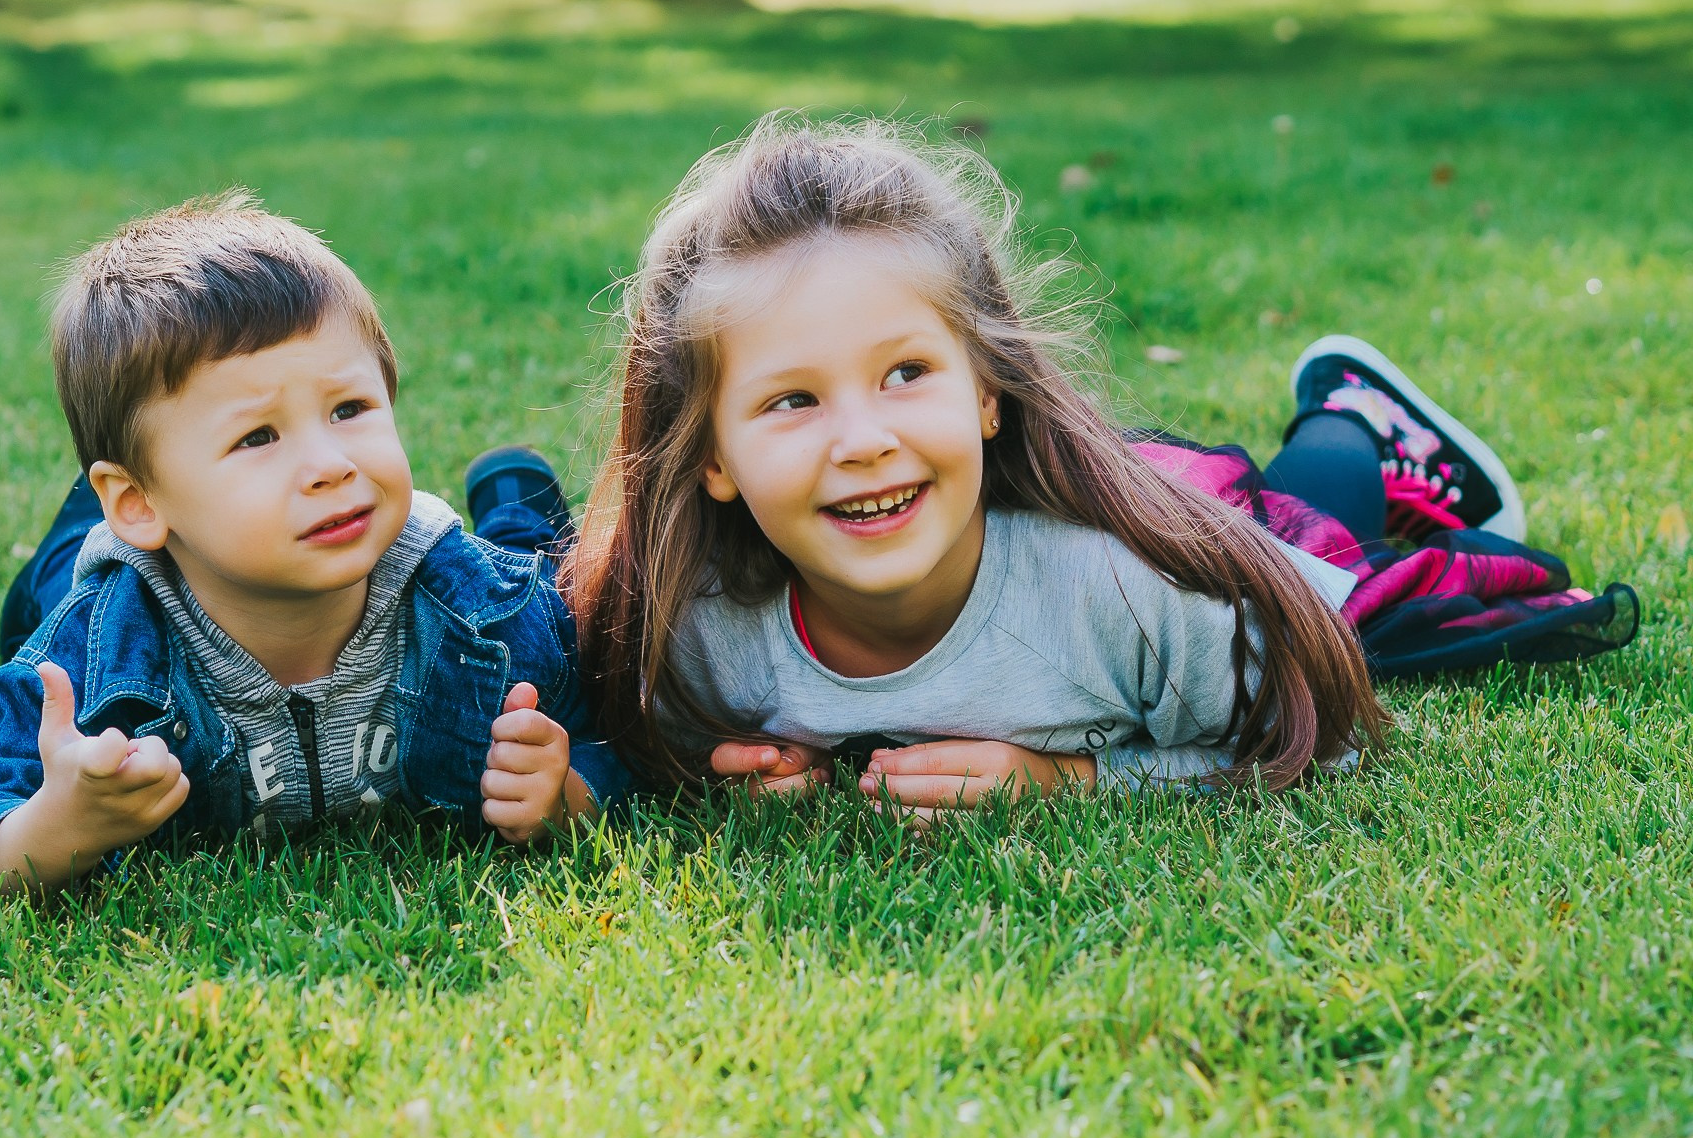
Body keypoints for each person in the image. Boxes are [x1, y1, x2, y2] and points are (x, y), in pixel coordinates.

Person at [558, 115, 1638, 818]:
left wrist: (1072, 779)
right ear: (710, 460)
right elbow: (646, 753)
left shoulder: (1127, 595)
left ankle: (1354, 420)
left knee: (1320, 539)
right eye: (792, 399)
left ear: (985, 389)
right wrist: (744, 771)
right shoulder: (697, 640)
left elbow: (1329, 737)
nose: (862, 438)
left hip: (1193, 534)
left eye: (904, 374)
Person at [0, 193, 625, 893]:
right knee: (51, 590)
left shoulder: (493, 612)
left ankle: (518, 498)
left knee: (543, 560)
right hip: (139, 560)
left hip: (424, 551)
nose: (330, 464)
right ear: (137, 502)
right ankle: (86, 523)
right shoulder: (95, 657)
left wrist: (570, 793)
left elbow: (623, 738)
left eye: (349, 409)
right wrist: (58, 826)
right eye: (258, 436)